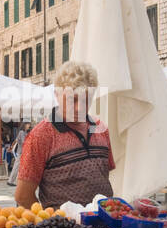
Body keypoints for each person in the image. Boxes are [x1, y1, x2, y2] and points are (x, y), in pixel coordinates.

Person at [15, 62, 114, 210]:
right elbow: (22, 196)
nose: (79, 107)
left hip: (106, 226)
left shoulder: (101, 128)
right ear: (57, 94)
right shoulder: (40, 136)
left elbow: (103, 176)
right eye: (71, 99)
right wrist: (50, 222)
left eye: (85, 99)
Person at [6, 122, 28, 187]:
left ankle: (14, 181)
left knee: (22, 167)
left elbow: (16, 140)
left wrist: (11, 147)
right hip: (21, 152)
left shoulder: (24, 133)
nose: (29, 126)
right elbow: (24, 142)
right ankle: (11, 181)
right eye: (28, 124)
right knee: (16, 167)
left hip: (24, 152)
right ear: (24, 125)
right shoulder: (22, 132)